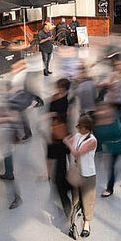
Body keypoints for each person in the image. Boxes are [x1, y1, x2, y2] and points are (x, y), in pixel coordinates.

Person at [63, 115, 97, 238]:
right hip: (77, 173)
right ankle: (73, 223)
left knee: (88, 199)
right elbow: (71, 138)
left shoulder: (92, 140)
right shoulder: (77, 135)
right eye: (78, 126)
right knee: (75, 198)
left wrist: (67, 142)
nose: (78, 129)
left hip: (88, 174)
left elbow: (78, 152)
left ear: (87, 128)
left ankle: (86, 224)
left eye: (80, 127)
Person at [47, 79, 72, 217]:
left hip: (61, 135)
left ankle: (68, 208)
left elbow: (65, 116)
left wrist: (52, 115)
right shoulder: (55, 97)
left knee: (59, 177)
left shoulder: (66, 101)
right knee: (59, 174)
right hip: (56, 134)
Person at [94, 103, 121, 198]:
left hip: (117, 146)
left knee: (112, 167)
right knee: (117, 165)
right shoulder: (98, 122)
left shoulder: (117, 119)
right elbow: (99, 138)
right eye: (99, 110)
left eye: (103, 110)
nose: (100, 112)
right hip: (109, 147)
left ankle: (110, 188)